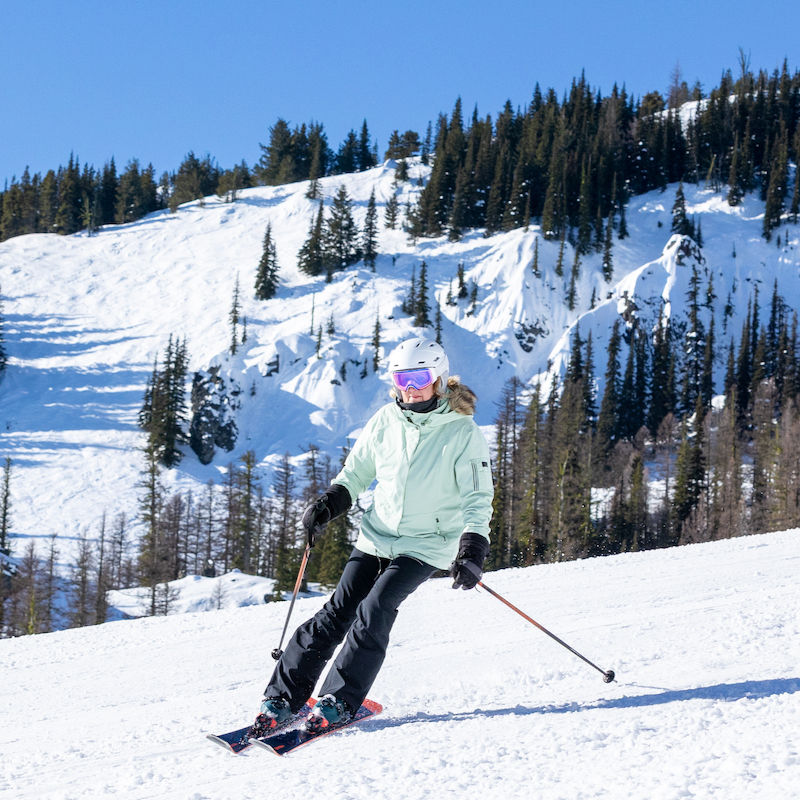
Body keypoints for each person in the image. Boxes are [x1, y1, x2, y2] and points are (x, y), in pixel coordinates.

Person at [255, 337, 494, 734]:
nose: (409, 387)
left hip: (426, 544)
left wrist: (473, 545)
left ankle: (338, 701)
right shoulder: (386, 419)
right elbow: (356, 473)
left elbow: (477, 496)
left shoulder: (462, 433)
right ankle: (283, 699)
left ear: (437, 378)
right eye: (402, 378)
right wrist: (328, 503)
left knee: (375, 609)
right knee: (335, 613)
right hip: (377, 535)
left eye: (418, 377)